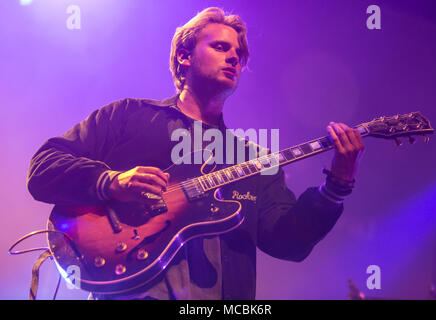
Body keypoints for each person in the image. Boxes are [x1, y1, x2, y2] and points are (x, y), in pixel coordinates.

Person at [27, 7, 365, 300]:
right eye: (220, 47)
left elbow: (288, 242)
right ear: (184, 56)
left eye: (239, 53)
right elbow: (44, 167)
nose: (234, 57)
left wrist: (337, 185)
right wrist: (110, 182)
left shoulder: (253, 159)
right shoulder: (127, 117)